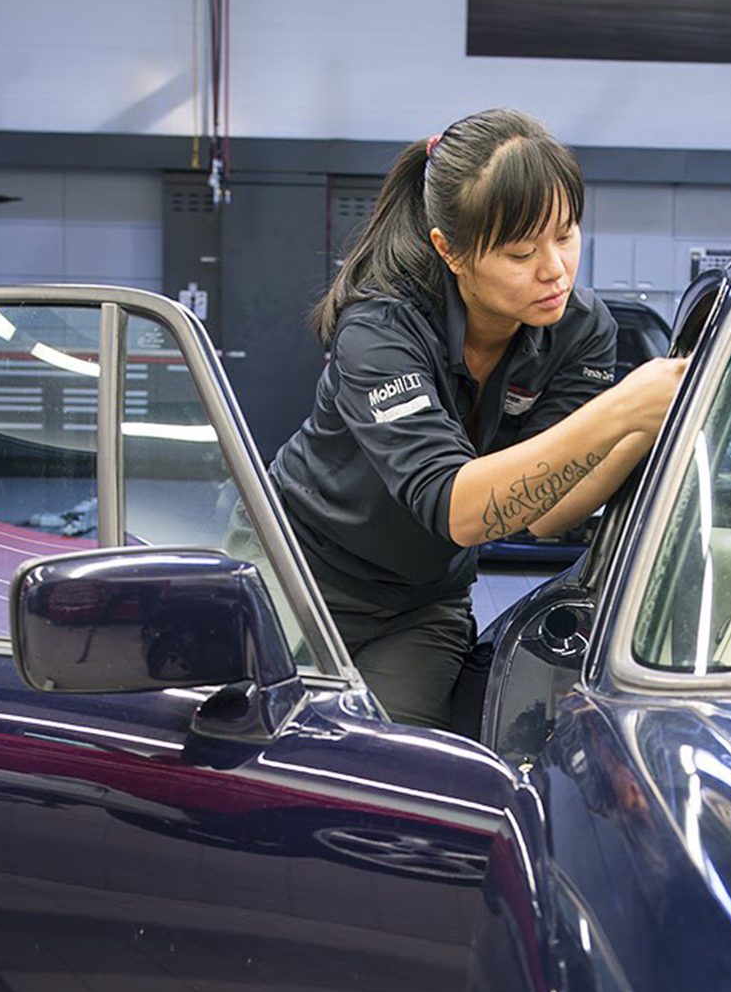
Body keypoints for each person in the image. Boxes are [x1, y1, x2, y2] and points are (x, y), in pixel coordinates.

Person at [267, 107, 687, 729]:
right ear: (451, 251)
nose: (555, 269)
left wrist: (645, 428)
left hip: (419, 601)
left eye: (567, 234)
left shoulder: (580, 327)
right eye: (521, 252)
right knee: (245, 757)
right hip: (294, 573)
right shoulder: (381, 325)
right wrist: (621, 407)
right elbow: (457, 508)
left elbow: (545, 512)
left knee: (387, 769)